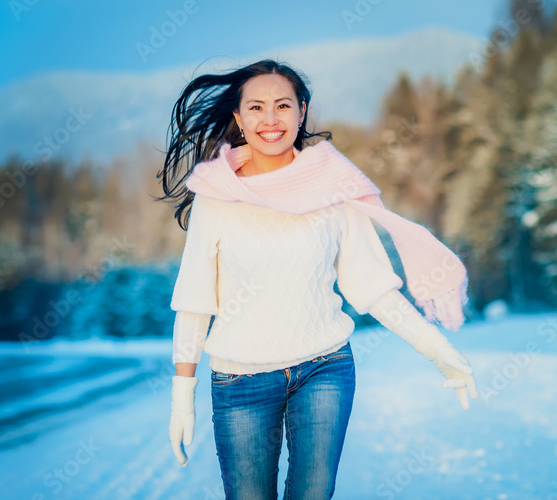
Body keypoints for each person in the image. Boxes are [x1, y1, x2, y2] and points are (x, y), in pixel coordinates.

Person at [157, 59, 478, 500]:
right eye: (256, 108)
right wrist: (182, 393)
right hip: (241, 382)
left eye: (283, 105)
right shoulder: (217, 194)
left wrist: (439, 350)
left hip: (324, 368)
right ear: (238, 117)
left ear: (301, 112)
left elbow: (374, 287)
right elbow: (195, 301)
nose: (270, 120)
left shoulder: (333, 185)